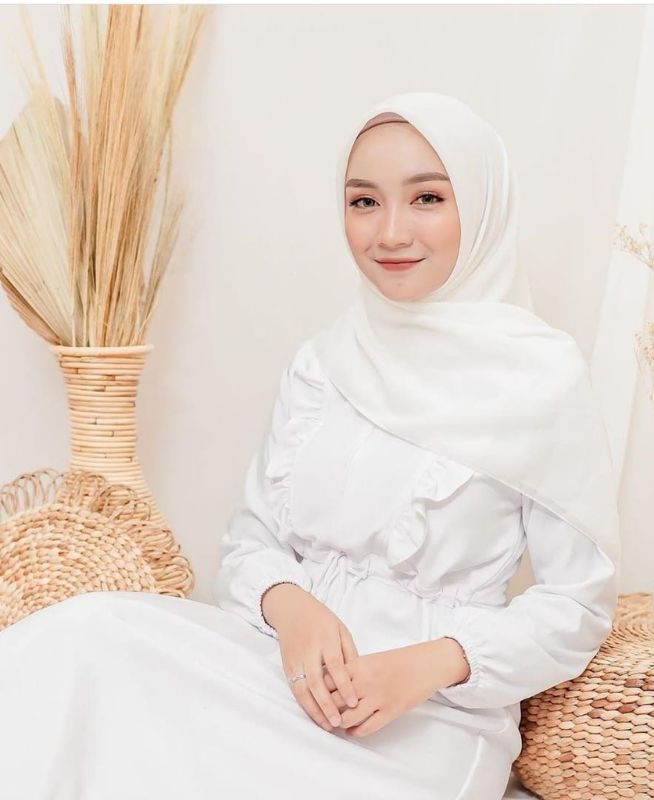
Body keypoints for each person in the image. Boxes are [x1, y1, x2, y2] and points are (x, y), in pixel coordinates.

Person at [0, 91, 620, 800]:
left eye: (427, 198)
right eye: (364, 202)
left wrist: (430, 663)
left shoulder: (541, 377)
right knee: (84, 636)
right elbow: (251, 544)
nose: (391, 232)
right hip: (275, 672)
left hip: (428, 722)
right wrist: (291, 610)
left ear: (481, 207)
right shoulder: (325, 362)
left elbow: (577, 606)